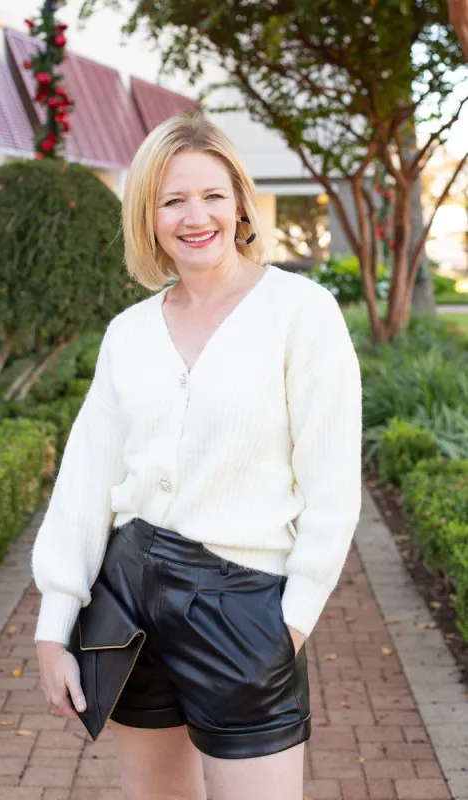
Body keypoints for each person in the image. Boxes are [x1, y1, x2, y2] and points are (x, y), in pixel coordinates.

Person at [33, 109, 362, 800]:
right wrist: (53, 628)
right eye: (172, 200)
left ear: (240, 201)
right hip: (127, 601)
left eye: (212, 194)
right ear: (147, 216)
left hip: (242, 607)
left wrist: (291, 625)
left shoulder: (300, 313)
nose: (195, 216)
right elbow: (85, 480)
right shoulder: (128, 333)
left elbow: (332, 488)